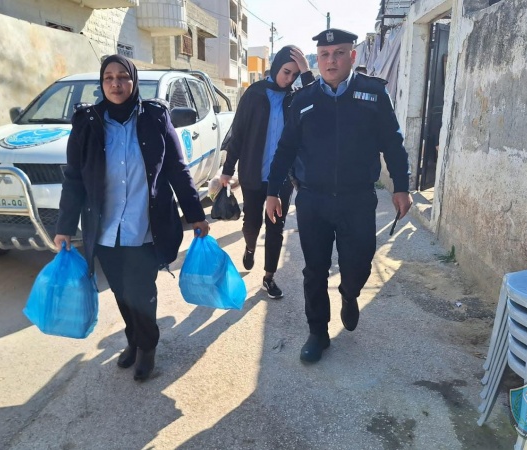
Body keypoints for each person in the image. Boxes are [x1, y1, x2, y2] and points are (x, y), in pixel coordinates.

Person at [54, 54, 210, 381]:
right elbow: (74, 178)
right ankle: (132, 339)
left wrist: (195, 214)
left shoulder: (155, 117)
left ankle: (147, 347)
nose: (116, 84)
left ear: (134, 80)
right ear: (102, 83)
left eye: (123, 77)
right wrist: (65, 227)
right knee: (122, 292)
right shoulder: (87, 123)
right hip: (105, 229)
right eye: (109, 77)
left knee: (142, 291)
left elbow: (177, 170)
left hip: (144, 227)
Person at [265, 29, 413, 364]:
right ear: (318, 59)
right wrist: (273, 192)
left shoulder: (373, 95)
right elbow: (285, 149)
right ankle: (317, 332)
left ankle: (349, 293)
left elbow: (393, 143)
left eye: (339, 53)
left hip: (357, 200)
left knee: (358, 262)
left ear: (352, 56)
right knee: (314, 269)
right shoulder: (303, 99)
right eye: (325, 54)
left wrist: (401, 187)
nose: (331, 60)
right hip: (313, 201)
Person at [220, 45, 314, 299]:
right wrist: (227, 171)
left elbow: (316, 100)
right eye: (286, 72)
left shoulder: (295, 97)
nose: (289, 79)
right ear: (275, 67)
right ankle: (250, 247)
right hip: (252, 173)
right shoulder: (255, 94)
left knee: (276, 226)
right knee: (252, 222)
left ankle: (269, 277)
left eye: (294, 75)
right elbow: (238, 133)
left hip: (282, 178)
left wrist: (306, 71)